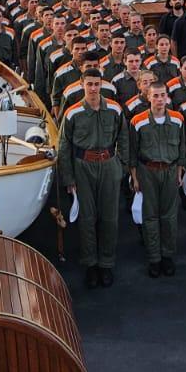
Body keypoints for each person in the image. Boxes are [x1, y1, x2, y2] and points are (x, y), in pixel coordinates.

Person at [57, 69, 127, 289]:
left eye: (97, 84)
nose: (94, 89)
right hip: (83, 167)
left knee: (109, 217)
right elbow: (64, 146)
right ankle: (91, 264)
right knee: (87, 218)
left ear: (102, 84)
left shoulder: (114, 109)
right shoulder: (72, 112)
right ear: (82, 84)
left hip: (108, 165)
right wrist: (68, 177)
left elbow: (124, 137)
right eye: (90, 84)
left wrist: (120, 167)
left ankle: (106, 263)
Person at [128, 83, 186, 277]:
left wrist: (179, 171)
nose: (159, 99)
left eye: (163, 95)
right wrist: (135, 177)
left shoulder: (178, 119)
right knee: (150, 216)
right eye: (156, 96)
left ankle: (167, 255)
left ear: (167, 97)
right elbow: (132, 152)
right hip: (147, 171)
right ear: (149, 98)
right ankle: (154, 258)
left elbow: (182, 148)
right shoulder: (138, 121)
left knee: (169, 216)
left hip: (170, 171)